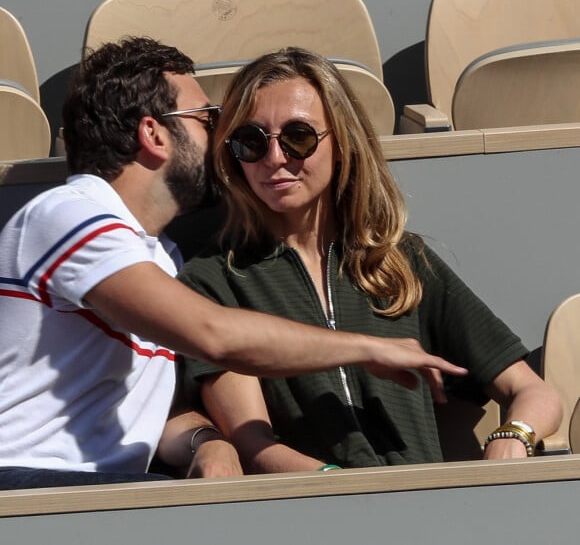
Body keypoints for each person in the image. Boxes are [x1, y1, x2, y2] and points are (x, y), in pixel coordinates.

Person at [0, 38, 466, 490]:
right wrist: (370, 348)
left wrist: (208, 442)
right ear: (154, 133)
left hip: (110, 492)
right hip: (25, 484)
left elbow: (138, 411)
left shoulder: (162, 258)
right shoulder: (70, 212)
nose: (223, 137)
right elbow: (215, 335)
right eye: (208, 118)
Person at [177, 46, 563, 473]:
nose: (275, 159)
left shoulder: (401, 261)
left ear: (341, 143)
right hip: (309, 513)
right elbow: (251, 443)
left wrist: (513, 436)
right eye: (251, 142)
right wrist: (341, 489)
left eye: (298, 137)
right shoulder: (213, 281)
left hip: (427, 506)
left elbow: (533, 392)